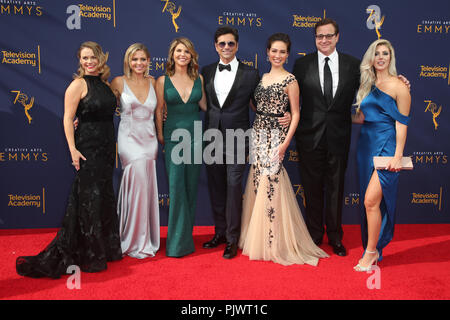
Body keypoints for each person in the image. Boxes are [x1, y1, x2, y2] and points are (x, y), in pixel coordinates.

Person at [16, 41, 122, 278]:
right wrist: (73, 149)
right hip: (87, 148)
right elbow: (67, 118)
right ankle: (89, 254)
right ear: (80, 61)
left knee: (103, 195)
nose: (89, 62)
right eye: (84, 58)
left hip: (106, 149)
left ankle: (104, 249)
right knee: (88, 199)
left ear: (101, 58)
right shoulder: (77, 85)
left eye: (93, 57)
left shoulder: (105, 85)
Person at [239, 33, 328, 266]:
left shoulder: (291, 80)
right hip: (258, 133)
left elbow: (296, 113)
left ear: (287, 55)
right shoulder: (263, 77)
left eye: (282, 51)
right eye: (274, 51)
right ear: (267, 52)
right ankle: (258, 237)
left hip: (277, 137)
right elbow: (255, 104)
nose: (277, 55)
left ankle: (273, 241)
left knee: (271, 183)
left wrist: (285, 142)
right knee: (258, 182)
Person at [292, 18, 360, 257]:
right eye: (320, 36)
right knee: (311, 188)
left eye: (329, 36)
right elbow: (288, 95)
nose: (324, 40)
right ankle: (314, 235)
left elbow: (373, 87)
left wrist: (399, 82)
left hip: (339, 135)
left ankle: (335, 235)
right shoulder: (301, 64)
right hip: (309, 136)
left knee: (336, 187)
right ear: (315, 38)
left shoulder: (354, 65)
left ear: (337, 37)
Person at [352, 39, 410, 271]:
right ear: (371, 58)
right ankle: (373, 249)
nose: (381, 57)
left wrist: (398, 155)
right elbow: (362, 117)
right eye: (377, 53)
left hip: (386, 145)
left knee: (370, 200)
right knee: (370, 205)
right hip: (365, 145)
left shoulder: (400, 86)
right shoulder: (367, 83)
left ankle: (371, 252)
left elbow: (402, 124)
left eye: (385, 53)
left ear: (390, 57)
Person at [155, 37, 206, 257]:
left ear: (191, 55)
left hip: (195, 137)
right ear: (172, 55)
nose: (182, 54)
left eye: (186, 51)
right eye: (178, 51)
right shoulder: (162, 81)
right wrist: (160, 134)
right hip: (173, 137)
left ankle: (186, 240)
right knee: (176, 189)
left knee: (191, 188)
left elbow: (205, 105)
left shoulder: (200, 79)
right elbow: (159, 110)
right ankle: (176, 244)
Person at [110, 43, 160, 259]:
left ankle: (145, 238)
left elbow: (160, 110)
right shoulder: (118, 82)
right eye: (135, 59)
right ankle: (131, 239)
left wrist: (161, 134)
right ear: (128, 61)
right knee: (138, 180)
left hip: (150, 140)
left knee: (145, 188)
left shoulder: (153, 82)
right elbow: (102, 105)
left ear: (149, 61)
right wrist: (80, 118)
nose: (139, 63)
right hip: (129, 139)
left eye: (143, 59)